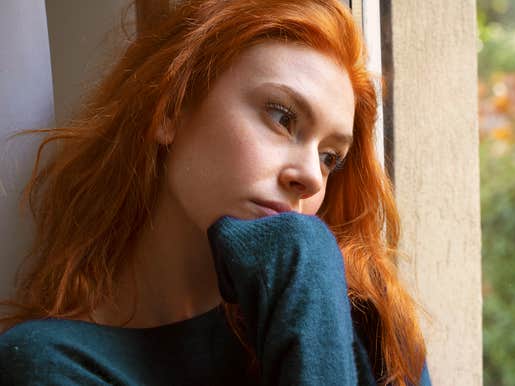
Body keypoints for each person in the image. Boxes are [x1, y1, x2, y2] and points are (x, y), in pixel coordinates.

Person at [0, 0, 430, 385]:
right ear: (171, 109)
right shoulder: (49, 363)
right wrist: (305, 255)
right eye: (282, 118)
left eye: (330, 157)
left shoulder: (362, 325)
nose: (313, 179)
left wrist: (309, 286)